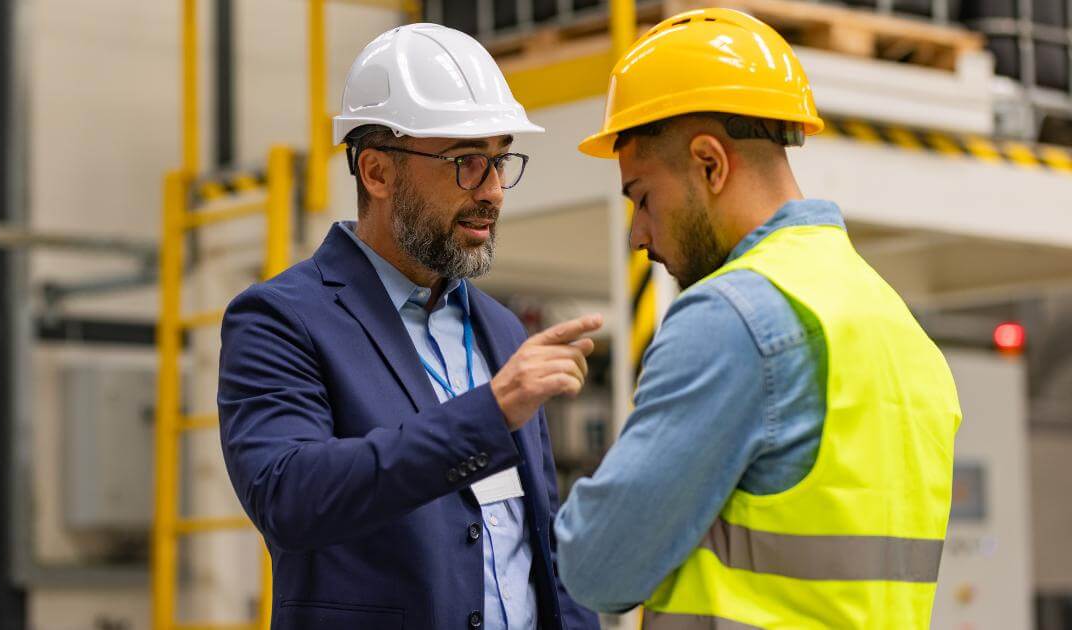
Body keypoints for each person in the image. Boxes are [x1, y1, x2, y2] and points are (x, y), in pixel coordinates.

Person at [553, 9, 962, 629]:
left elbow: (597, 566)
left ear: (710, 164)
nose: (638, 233)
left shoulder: (734, 316)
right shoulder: (893, 323)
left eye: (642, 196)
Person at [218, 23, 602, 630]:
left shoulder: (499, 329)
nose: (494, 192)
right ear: (376, 172)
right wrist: (488, 413)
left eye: (501, 160)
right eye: (468, 163)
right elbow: (289, 496)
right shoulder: (281, 319)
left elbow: (538, 544)